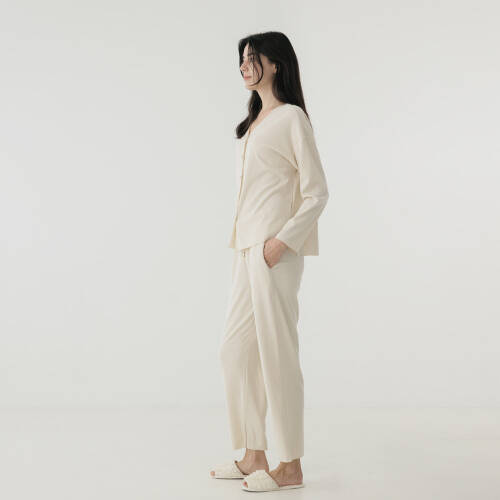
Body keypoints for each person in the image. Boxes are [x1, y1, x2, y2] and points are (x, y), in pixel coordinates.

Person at [210, 31, 330, 493]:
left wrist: (282, 243)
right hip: (246, 250)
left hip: (273, 253)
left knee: (278, 353)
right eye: (241, 59)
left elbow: (317, 192)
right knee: (235, 350)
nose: (243, 66)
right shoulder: (254, 123)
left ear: (275, 64)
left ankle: (290, 465)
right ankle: (253, 454)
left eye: (252, 58)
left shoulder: (291, 118)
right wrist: (254, 247)